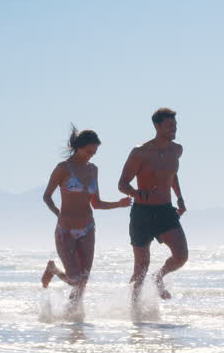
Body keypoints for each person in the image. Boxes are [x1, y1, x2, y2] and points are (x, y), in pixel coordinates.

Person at [40, 126, 132, 312]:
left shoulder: (92, 170)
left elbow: (95, 203)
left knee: (83, 281)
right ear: (78, 147)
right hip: (66, 229)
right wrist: (57, 212)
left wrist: (119, 204)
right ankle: (53, 269)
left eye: (94, 152)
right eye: (89, 151)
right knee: (75, 279)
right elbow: (47, 196)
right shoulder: (63, 169)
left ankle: (72, 319)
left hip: (88, 228)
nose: (91, 155)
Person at [118, 107, 188, 308]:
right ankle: (134, 310)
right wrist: (135, 193)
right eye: (169, 125)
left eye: (175, 125)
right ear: (157, 126)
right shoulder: (141, 152)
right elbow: (122, 183)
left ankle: (159, 276)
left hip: (166, 210)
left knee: (181, 256)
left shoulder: (177, 150)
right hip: (143, 213)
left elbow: (171, 174)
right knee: (140, 268)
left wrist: (180, 198)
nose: (174, 129)